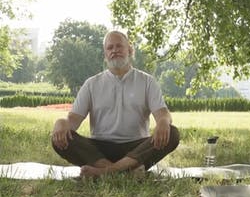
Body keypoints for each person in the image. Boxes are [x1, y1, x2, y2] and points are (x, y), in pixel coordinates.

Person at [51, 29, 180, 178]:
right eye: (110, 47)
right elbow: (73, 120)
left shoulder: (147, 81)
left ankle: (106, 173)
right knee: (59, 138)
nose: (114, 51)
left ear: (130, 50)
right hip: (99, 150)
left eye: (119, 46)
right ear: (105, 54)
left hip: (136, 148)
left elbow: (162, 113)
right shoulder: (92, 84)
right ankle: (125, 172)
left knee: (172, 134)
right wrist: (61, 123)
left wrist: (163, 122)